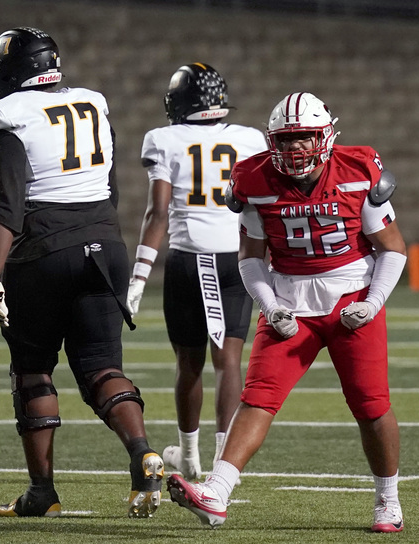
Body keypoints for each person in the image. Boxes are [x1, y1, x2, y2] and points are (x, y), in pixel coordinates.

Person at [166, 92, 408, 533]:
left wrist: (372, 303)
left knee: (371, 405)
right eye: (285, 138)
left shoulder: (357, 170)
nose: (295, 146)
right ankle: (216, 493)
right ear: (271, 140)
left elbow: (392, 249)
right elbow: (250, 259)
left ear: (325, 136)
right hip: (289, 301)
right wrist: (271, 307)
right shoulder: (254, 178)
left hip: (352, 296)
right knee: (258, 397)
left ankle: (387, 499)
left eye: (304, 137)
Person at [0, 27, 163, 518]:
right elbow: (109, 187)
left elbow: (6, 202)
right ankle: (142, 451)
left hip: (42, 251)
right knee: (103, 367)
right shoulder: (93, 103)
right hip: (105, 246)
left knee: (33, 370)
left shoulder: (9, 114)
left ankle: (42, 492)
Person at [126, 63, 267, 481]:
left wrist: (138, 279)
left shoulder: (164, 139)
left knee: (189, 363)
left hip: (191, 259)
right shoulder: (250, 139)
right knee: (229, 362)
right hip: (238, 259)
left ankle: (191, 457)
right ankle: (223, 464)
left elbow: (157, 214)